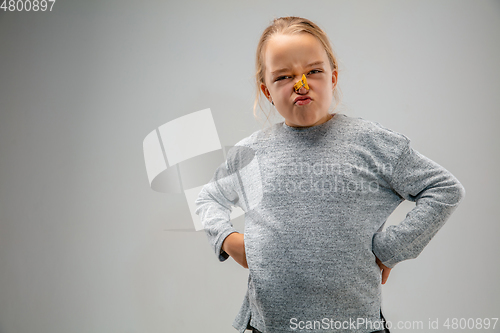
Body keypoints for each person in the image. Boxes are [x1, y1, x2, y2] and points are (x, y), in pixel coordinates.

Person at [195, 16, 465, 333]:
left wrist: (391, 249)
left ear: (333, 76)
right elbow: (208, 198)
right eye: (283, 76)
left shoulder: (371, 143)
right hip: (269, 326)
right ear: (266, 90)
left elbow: (444, 189)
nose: (301, 84)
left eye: (314, 71)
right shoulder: (250, 153)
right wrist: (227, 239)